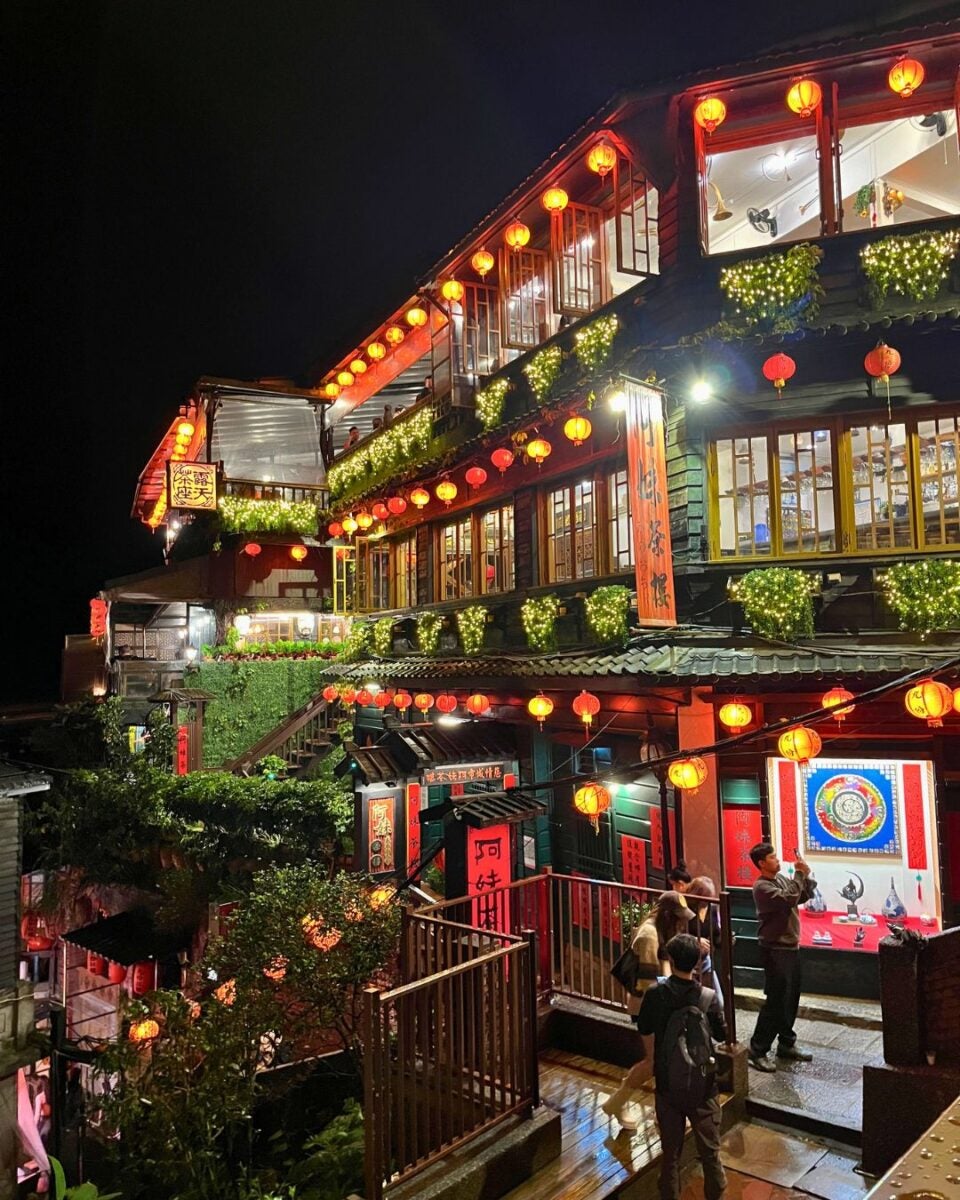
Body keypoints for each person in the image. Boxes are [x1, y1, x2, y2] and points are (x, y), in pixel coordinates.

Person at [635, 933, 728, 1200]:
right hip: (704, 1086)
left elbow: (644, 1028)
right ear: (698, 962)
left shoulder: (656, 994)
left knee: (671, 1156)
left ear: (672, 960)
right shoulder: (708, 997)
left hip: (668, 1084)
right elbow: (721, 1035)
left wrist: (652, 1060)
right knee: (710, 1154)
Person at [603, 891, 695, 1129]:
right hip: (648, 1007)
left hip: (657, 1005)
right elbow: (649, 986)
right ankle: (617, 1102)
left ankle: (661, 1111)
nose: (682, 923)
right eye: (679, 918)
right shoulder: (649, 936)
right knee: (655, 1061)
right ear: (667, 915)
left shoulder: (661, 930)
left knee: (663, 1060)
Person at [748, 842, 816, 1072]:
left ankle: (786, 1043)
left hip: (790, 947)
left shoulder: (781, 880)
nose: (777, 860)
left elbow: (800, 896)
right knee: (776, 1001)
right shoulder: (761, 887)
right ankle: (757, 1050)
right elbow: (787, 900)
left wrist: (805, 876)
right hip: (775, 949)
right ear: (761, 863)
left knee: (791, 999)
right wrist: (798, 874)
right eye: (773, 857)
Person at [689, 875, 725, 1010]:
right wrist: (694, 940)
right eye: (705, 897)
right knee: (695, 1002)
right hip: (688, 960)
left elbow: (716, 933)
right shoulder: (685, 908)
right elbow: (676, 934)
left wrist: (725, 938)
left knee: (717, 1002)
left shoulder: (712, 908)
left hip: (705, 960)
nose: (708, 901)